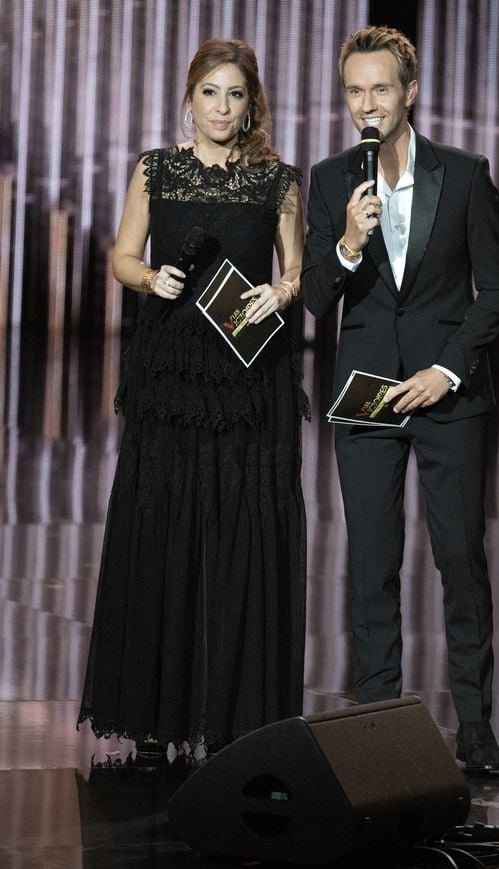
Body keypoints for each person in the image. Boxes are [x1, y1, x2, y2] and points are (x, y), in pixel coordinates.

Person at [78, 39, 309, 757]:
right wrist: (150, 279)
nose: (221, 107)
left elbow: (297, 268)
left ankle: (231, 716)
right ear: (190, 96)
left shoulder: (278, 180)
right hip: (172, 372)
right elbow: (120, 255)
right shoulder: (156, 168)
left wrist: (282, 289)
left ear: (253, 104)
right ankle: (154, 717)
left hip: (247, 373)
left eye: (235, 94)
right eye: (210, 92)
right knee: (164, 527)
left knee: (240, 533)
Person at [301, 25, 499, 771]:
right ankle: (379, 727)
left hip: (447, 396)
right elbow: (317, 302)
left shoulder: (463, 173)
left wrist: (447, 370)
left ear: (409, 92)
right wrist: (348, 243)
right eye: (355, 90)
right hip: (364, 400)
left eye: (381, 88)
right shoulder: (330, 182)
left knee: (460, 557)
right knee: (371, 563)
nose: (369, 103)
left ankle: (477, 724)